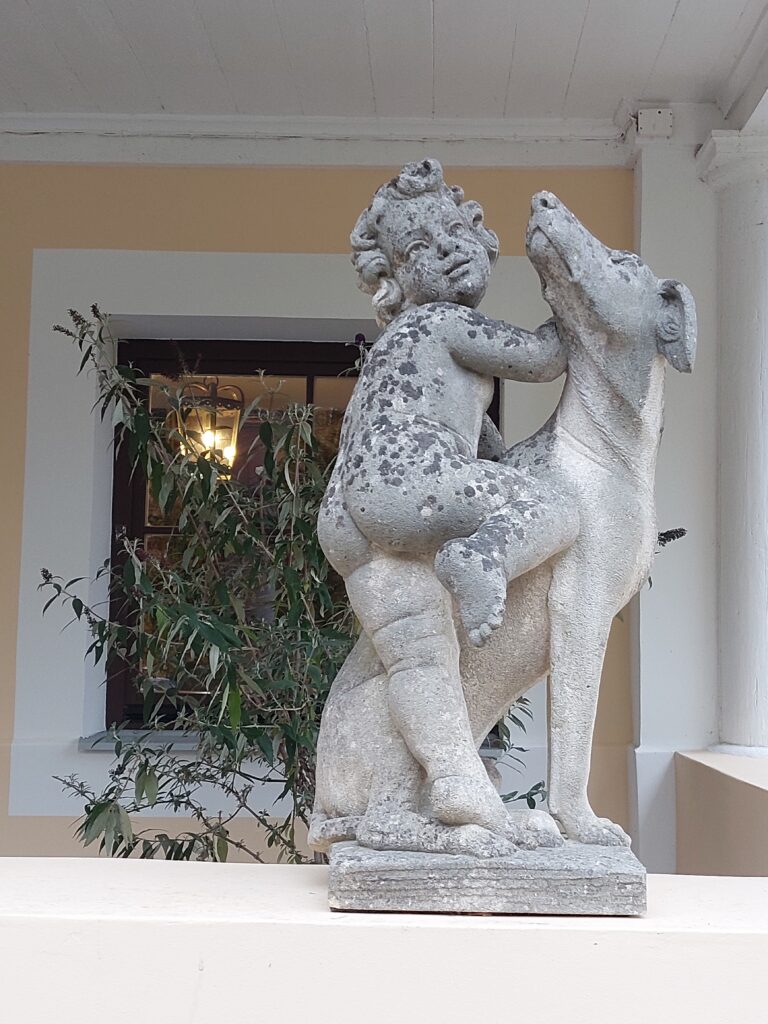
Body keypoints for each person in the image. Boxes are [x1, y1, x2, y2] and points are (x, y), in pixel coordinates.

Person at [317, 159, 576, 836]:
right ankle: (483, 559)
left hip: (347, 512)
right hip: (406, 474)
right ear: (397, 280)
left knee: (419, 656)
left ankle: (454, 784)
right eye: (420, 249)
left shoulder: (392, 352)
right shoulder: (439, 323)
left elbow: (485, 452)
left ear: (480, 237)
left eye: (456, 233)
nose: (448, 251)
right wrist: (575, 298)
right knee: (555, 509)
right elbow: (544, 357)